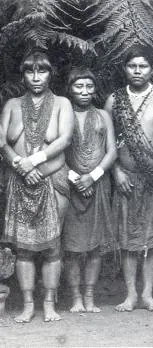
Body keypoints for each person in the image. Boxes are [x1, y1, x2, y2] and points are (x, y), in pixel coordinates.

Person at [0, 49, 74, 322]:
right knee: (23, 248)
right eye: (30, 71)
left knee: (53, 247)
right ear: (23, 74)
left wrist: (35, 162)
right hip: (18, 180)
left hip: (52, 178)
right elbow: (1, 142)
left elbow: (64, 139)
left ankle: (50, 303)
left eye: (41, 71)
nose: (35, 77)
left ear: (50, 73)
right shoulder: (11, 105)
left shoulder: (62, 104)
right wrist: (21, 165)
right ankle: (29, 304)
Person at [104, 45, 153, 312]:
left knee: (151, 238)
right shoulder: (114, 100)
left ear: (152, 69)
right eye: (132, 66)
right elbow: (108, 142)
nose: (137, 71)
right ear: (125, 69)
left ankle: (148, 294)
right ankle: (130, 295)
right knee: (126, 239)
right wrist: (116, 172)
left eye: (143, 66)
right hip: (125, 178)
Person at [62, 67, 118, 313]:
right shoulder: (62, 114)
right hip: (70, 186)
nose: (84, 92)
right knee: (72, 248)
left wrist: (92, 177)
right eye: (78, 87)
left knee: (95, 247)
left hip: (98, 185)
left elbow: (112, 151)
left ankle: (90, 297)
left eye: (89, 87)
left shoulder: (103, 116)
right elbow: (56, 153)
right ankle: (75, 298)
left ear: (95, 89)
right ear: (70, 89)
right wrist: (76, 179)